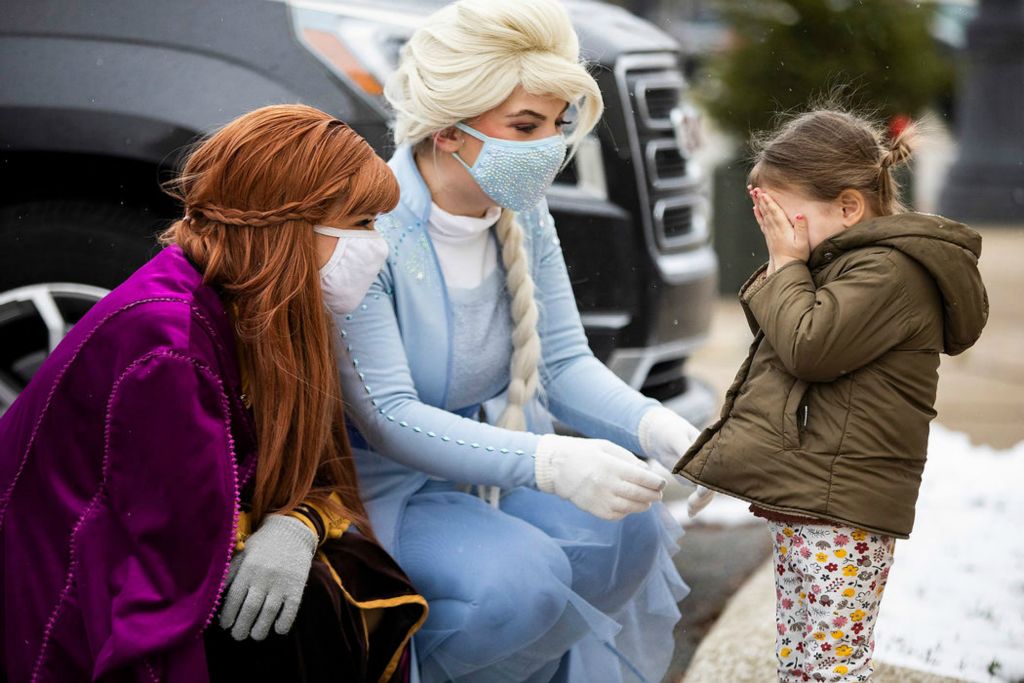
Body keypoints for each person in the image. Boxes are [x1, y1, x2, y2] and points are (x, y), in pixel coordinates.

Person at [335, 1, 703, 681]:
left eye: (559, 125)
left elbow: (562, 362)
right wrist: (551, 462)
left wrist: (656, 425)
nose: (550, 146)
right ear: (448, 130)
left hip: (484, 470)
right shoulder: (371, 229)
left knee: (629, 530)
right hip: (380, 496)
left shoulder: (521, 212)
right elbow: (389, 420)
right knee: (520, 583)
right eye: (526, 125)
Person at [0, 104, 426, 683]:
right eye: (362, 223)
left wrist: (298, 523)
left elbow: (309, 472)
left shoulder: (253, 307)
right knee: (310, 614)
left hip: (114, 581)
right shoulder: (166, 344)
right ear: (286, 228)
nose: (376, 246)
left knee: (337, 583)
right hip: (62, 619)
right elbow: (168, 580)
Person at [674, 108, 988, 682]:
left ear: (849, 207)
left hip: (846, 507)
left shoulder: (890, 272)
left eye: (786, 218)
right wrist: (792, 265)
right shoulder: (843, 263)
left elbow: (807, 347)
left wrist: (785, 265)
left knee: (832, 664)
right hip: (813, 495)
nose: (776, 233)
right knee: (801, 655)